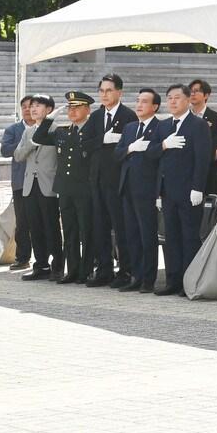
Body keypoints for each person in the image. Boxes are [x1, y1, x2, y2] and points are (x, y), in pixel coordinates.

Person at [149, 83, 212, 296]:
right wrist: (164, 145)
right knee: (171, 237)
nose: (173, 101)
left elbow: (203, 159)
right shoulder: (163, 126)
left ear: (187, 100)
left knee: (189, 236)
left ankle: (189, 281)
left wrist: (198, 188)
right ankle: (172, 281)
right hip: (167, 191)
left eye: (177, 97)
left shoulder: (198, 125)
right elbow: (152, 154)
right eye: (170, 98)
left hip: (188, 191)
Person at [33, 91, 99, 283]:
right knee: (69, 232)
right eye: (70, 107)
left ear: (87, 109)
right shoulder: (62, 131)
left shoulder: (93, 132)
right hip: (65, 189)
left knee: (86, 231)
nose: (72, 111)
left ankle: (86, 271)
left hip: (85, 190)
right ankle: (73, 270)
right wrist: (48, 119)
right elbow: (38, 138)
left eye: (77, 107)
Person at [88, 74, 137, 286]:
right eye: (101, 91)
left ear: (119, 92)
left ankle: (125, 271)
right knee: (100, 227)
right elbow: (85, 143)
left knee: (121, 227)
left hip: (118, 181)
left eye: (109, 90)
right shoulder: (97, 117)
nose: (104, 95)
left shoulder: (128, 116)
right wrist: (103, 139)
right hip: (97, 180)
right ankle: (104, 270)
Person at [116, 89, 162, 293]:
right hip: (127, 187)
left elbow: (160, 160)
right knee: (131, 234)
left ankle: (148, 279)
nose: (139, 105)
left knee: (147, 235)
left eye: (145, 102)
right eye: (137, 101)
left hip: (148, 189)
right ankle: (136, 275)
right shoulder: (129, 128)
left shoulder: (160, 127)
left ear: (155, 107)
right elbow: (117, 154)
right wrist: (130, 148)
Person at [15, 95, 60, 281]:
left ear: (48, 110)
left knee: (51, 226)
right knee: (35, 227)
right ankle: (40, 265)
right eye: (31, 106)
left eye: (38, 105)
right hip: (29, 186)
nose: (33, 109)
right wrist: (31, 143)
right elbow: (18, 155)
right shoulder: (28, 132)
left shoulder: (56, 130)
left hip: (48, 185)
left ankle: (58, 265)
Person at [2, 96, 34, 272]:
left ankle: (43, 259)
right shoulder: (14, 129)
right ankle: (22, 258)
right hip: (21, 182)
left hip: (40, 183)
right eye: (24, 107)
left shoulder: (43, 129)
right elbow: (5, 150)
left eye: (31, 106)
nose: (28, 110)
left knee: (41, 221)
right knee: (22, 222)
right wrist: (25, 142)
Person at [188, 78, 217, 210]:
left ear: (206, 95)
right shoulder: (184, 117)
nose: (192, 94)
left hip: (209, 172)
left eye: (196, 91)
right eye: (190, 91)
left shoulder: (215, 118)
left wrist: (211, 155)